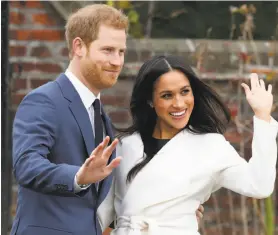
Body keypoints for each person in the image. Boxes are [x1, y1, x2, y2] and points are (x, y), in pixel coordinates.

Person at [11, 4, 204, 235]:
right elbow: (26, 166)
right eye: (108, 50)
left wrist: (171, 212)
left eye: (121, 52)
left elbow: (100, 208)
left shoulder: (102, 117)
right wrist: (78, 177)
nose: (117, 61)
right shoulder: (44, 100)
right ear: (79, 46)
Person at [97, 55, 278, 235]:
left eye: (185, 92)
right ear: (150, 101)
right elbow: (101, 215)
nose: (179, 104)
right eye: (167, 95)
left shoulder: (210, 146)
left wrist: (263, 116)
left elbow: (259, 185)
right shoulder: (124, 145)